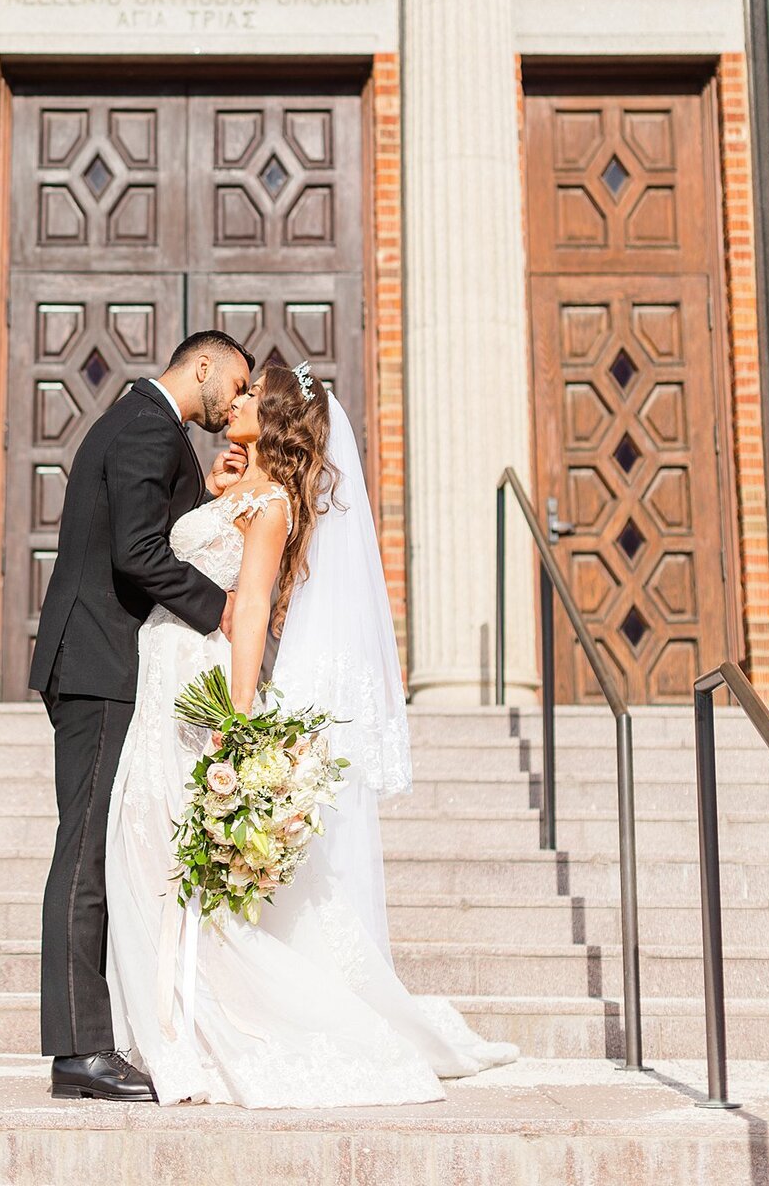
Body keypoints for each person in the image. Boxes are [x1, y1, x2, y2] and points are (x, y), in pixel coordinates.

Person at [104, 362, 519, 1107]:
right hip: (160, 675)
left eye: (252, 397)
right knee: (141, 842)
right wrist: (218, 488)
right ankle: (167, 1021)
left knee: (159, 852)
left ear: (278, 421)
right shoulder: (240, 488)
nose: (237, 402)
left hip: (195, 682)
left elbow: (253, 609)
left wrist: (232, 722)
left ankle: (196, 1025)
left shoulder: (271, 507)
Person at [28, 329, 253, 1102]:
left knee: (102, 849)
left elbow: (167, 533)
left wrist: (214, 498)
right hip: (95, 667)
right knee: (84, 851)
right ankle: (78, 1051)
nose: (235, 403)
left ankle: (105, 1035)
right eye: (237, 382)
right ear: (204, 367)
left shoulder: (153, 429)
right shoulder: (146, 427)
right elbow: (138, 552)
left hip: (112, 667)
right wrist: (222, 611)